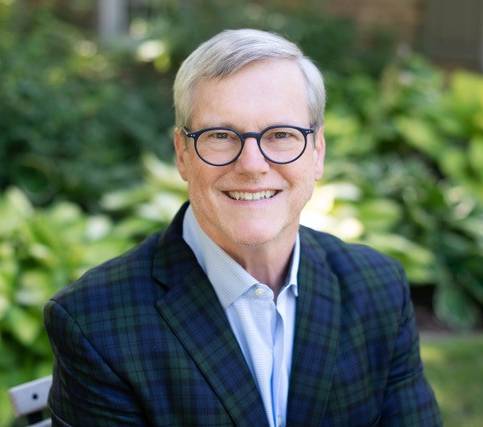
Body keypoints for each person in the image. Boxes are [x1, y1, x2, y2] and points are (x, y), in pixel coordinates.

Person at [44, 29, 441, 427]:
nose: (252, 165)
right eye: (220, 136)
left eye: (281, 134)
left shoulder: (378, 288)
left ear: (317, 152)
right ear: (182, 154)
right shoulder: (95, 322)